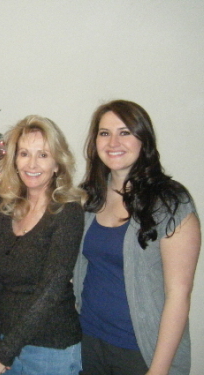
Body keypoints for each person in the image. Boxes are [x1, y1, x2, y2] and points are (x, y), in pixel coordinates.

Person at [73, 100, 201, 375]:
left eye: (125, 132)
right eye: (105, 133)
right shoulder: (90, 199)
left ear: (144, 140)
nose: (113, 142)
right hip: (88, 343)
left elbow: (178, 295)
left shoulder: (170, 203)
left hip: (140, 352)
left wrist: (158, 370)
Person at [0, 115, 85, 375]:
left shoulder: (67, 212)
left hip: (50, 350)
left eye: (43, 155)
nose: (32, 164)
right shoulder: (7, 208)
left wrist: (5, 352)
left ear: (57, 164)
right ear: (15, 159)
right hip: (4, 344)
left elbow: (51, 289)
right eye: (24, 153)